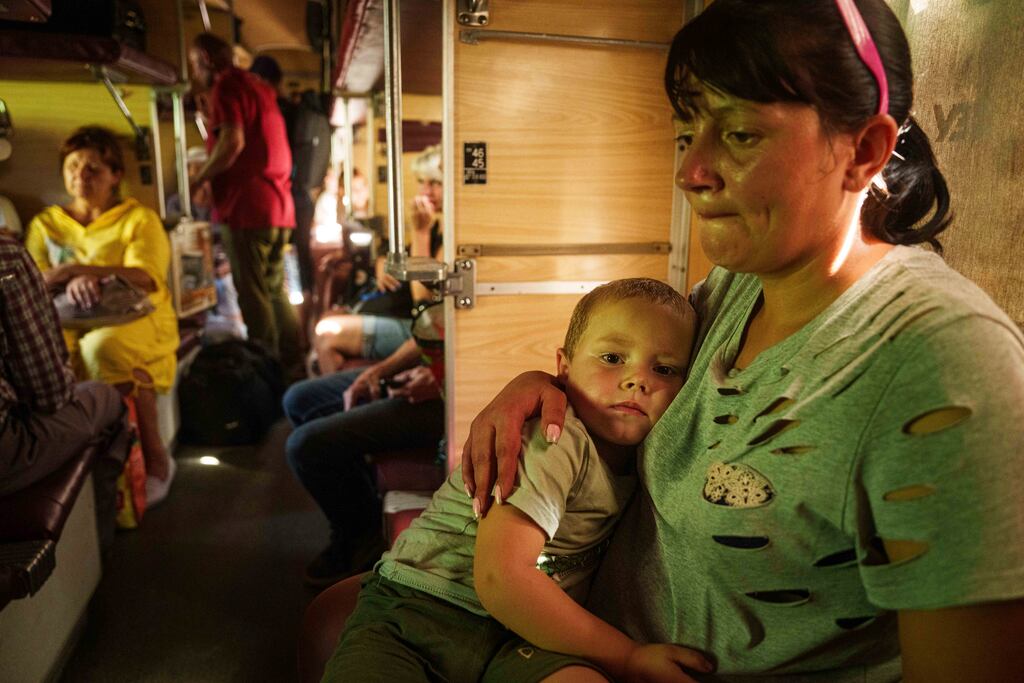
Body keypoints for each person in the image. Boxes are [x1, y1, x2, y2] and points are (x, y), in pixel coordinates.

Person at [461, 1, 1024, 680]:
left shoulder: (940, 365)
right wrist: (541, 386)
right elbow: (632, 375)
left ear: (865, 150)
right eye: (689, 131)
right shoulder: (737, 287)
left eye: (740, 135)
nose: (691, 172)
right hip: (587, 638)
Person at [323, 279, 706, 682]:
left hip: (520, 635)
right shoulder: (558, 435)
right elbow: (501, 578)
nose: (637, 380)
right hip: (421, 608)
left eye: (663, 369)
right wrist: (628, 658)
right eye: (612, 358)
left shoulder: (648, 455)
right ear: (563, 366)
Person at [25, 125, 179, 507]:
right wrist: (66, 277)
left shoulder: (138, 220)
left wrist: (78, 271)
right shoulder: (47, 225)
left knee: (105, 349)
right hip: (66, 319)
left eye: (93, 168)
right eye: (73, 166)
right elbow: (34, 279)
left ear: (115, 176)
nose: (81, 175)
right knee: (42, 355)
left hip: (132, 317)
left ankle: (156, 459)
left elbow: (145, 277)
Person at [283, 333, 445, 587]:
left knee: (304, 446)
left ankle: (360, 534)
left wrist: (445, 379)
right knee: (298, 400)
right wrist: (377, 372)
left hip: (457, 393)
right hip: (435, 365)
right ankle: (360, 510)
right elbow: (434, 324)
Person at [0, 230, 128, 550]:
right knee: (107, 399)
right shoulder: (7, 257)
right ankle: (100, 554)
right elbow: (50, 394)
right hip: (6, 451)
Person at [188, 33, 302, 380]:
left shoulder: (226, 86)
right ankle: (292, 364)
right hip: (277, 206)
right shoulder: (260, 88)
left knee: (253, 296)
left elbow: (232, 141)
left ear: (206, 59)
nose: (194, 72)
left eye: (194, 64)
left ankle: (265, 372)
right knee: (273, 289)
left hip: (247, 207)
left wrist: (199, 179)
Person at [309, 144, 444, 373]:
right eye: (423, 182)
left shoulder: (447, 234)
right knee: (324, 329)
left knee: (327, 332)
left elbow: (423, 301)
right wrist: (383, 266)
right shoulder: (435, 224)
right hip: (397, 311)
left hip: (417, 326)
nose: (426, 190)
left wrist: (420, 232)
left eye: (436, 183)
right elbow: (390, 255)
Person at [165, 145, 213, 224]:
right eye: (197, 168)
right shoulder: (175, 202)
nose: (202, 173)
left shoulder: (217, 201)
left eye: (205, 168)